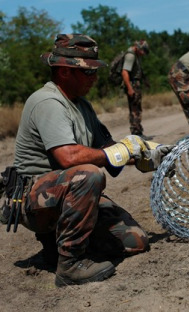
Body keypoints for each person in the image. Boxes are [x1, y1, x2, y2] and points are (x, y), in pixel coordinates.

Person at [3, 34, 173, 287]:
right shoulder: (48, 102)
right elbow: (68, 157)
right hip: (34, 197)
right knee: (89, 173)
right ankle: (70, 264)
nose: (94, 78)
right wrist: (119, 153)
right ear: (63, 72)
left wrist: (143, 152)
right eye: (87, 73)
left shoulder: (83, 105)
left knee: (136, 241)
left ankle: (55, 247)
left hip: (68, 193)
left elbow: (108, 148)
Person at [121, 40, 152, 139]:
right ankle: (136, 134)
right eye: (143, 51)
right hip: (133, 85)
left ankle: (138, 132)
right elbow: (124, 72)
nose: (144, 54)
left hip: (136, 84)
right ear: (139, 48)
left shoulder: (136, 55)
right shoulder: (131, 56)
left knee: (137, 109)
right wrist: (130, 88)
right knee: (135, 110)